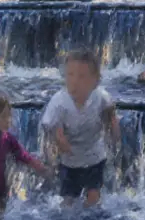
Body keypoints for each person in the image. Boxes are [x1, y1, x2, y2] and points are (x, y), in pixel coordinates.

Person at [41, 51, 120, 207]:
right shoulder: (59, 102)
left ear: (95, 81)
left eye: (81, 76)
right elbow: (52, 126)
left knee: (93, 195)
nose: (74, 81)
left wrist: (113, 129)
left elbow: (110, 113)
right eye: (70, 75)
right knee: (68, 199)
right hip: (69, 162)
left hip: (95, 157)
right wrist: (59, 138)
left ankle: (91, 214)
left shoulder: (101, 97)